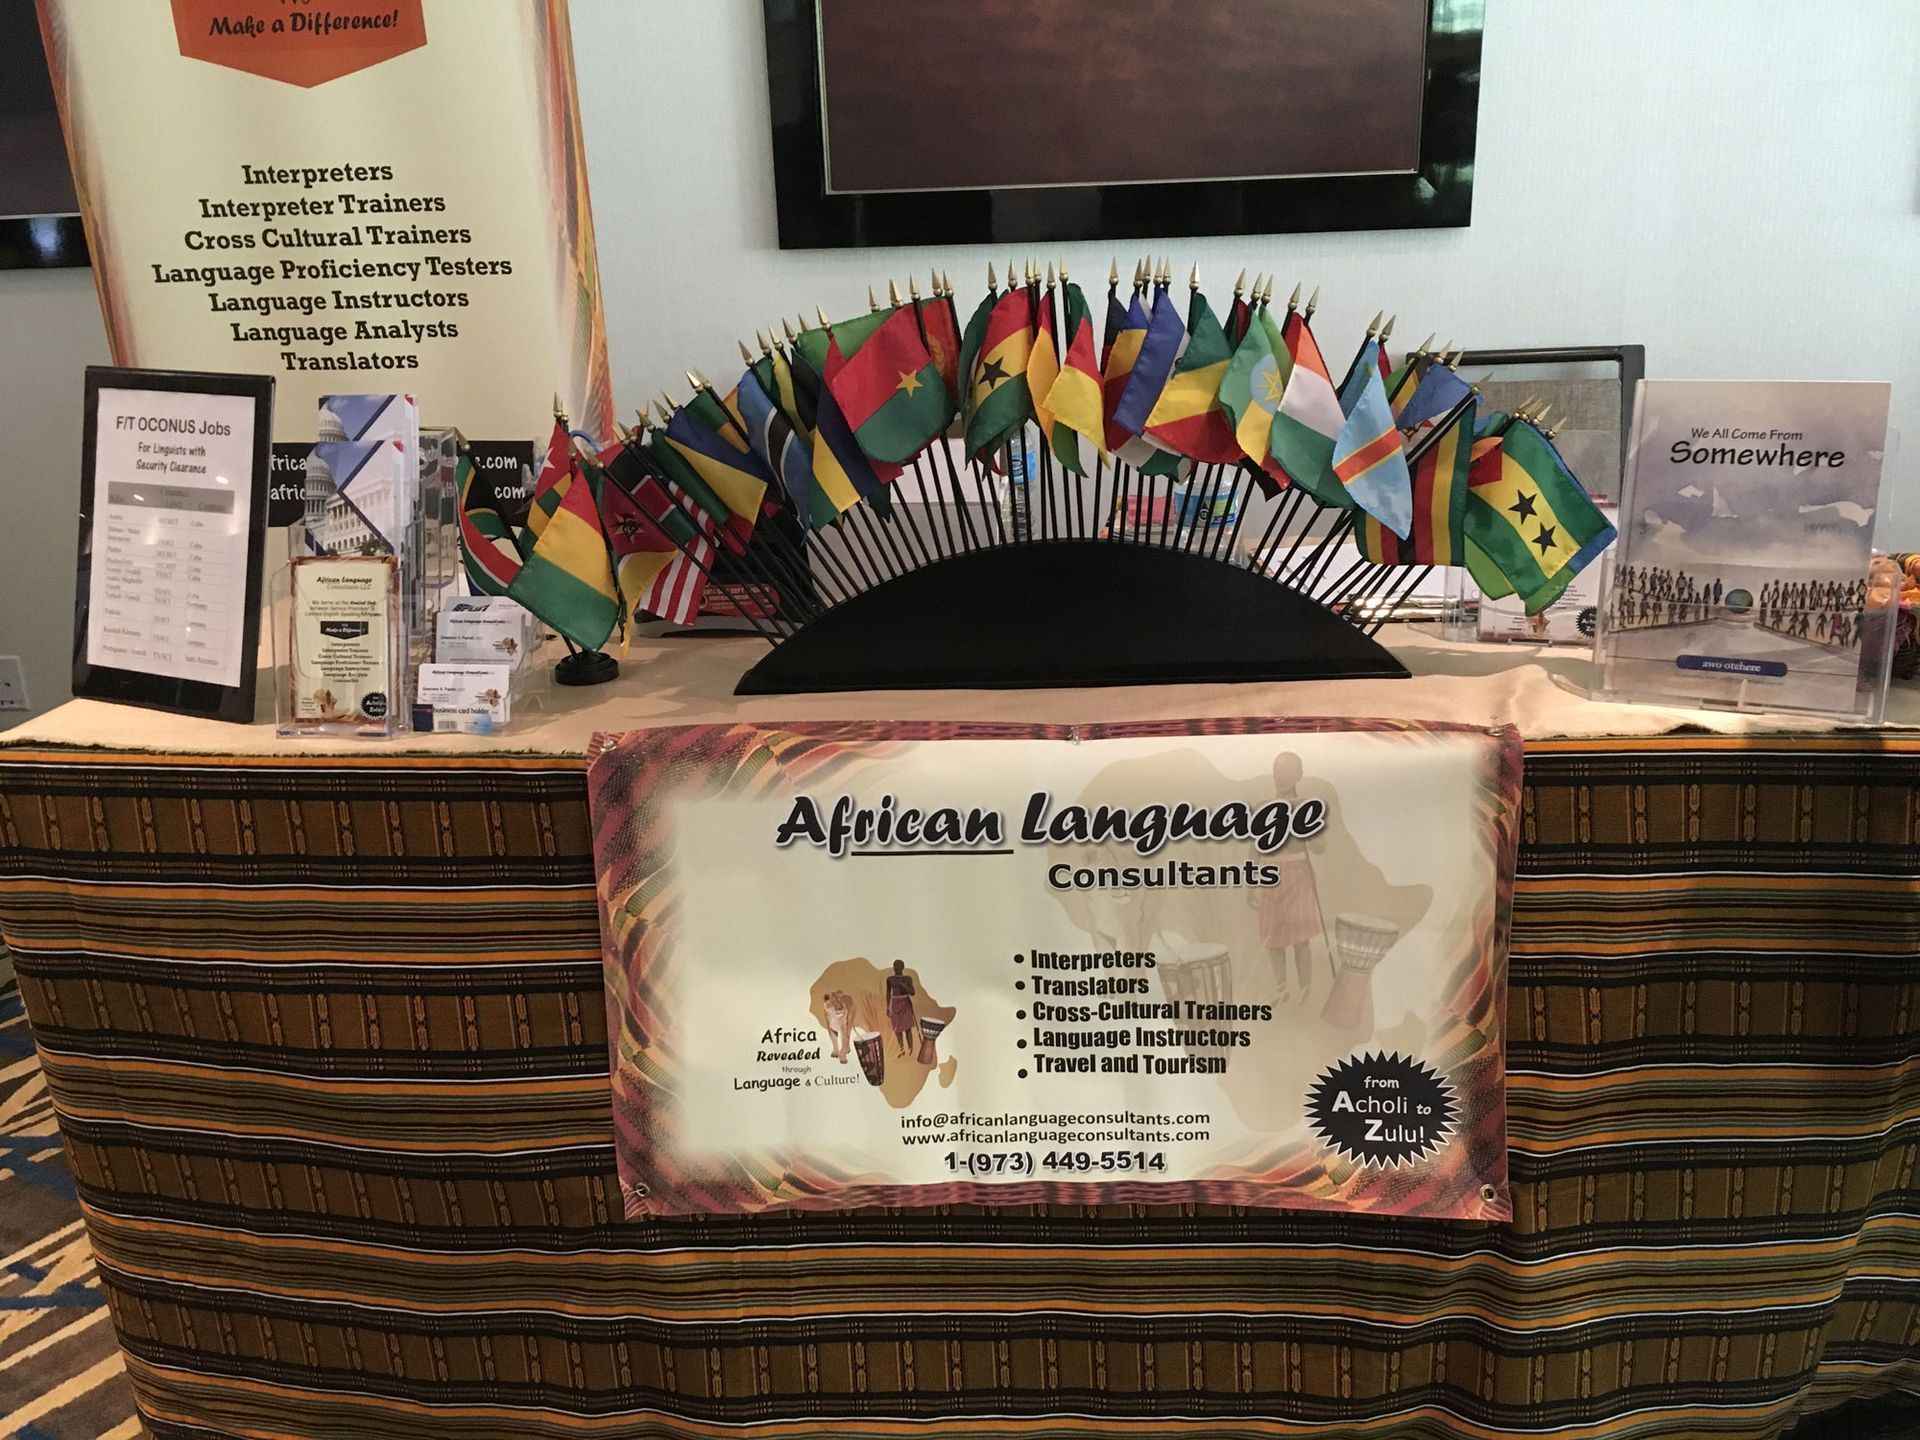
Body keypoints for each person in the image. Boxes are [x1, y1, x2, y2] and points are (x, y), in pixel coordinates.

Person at [885, 960, 919, 1058]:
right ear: (893, 967)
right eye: (895, 966)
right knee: (897, 1030)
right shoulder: (890, 979)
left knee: (908, 1029)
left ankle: (911, 1050)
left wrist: (905, 986)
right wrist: (888, 1007)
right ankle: (901, 1050)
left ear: (902, 967)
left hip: (905, 1003)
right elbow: (888, 994)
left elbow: (912, 992)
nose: (897, 968)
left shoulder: (907, 979)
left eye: (899, 966)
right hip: (895, 1004)